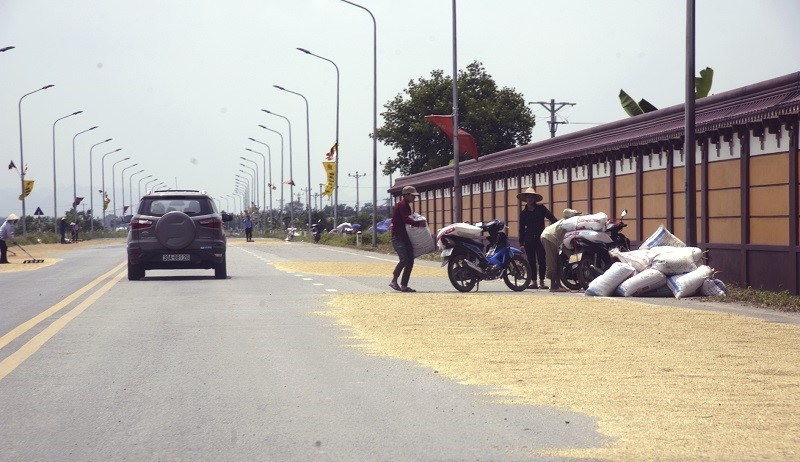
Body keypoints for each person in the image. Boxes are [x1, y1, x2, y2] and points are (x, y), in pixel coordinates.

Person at [517, 187, 557, 289]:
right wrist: (521, 243)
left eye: (531, 197)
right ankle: (533, 282)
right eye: (528, 197)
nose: (529, 199)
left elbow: (552, 218)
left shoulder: (541, 208)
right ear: (525, 199)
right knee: (531, 261)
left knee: (541, 260)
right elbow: (521, 229)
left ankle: (542, 282)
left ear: (534, 198)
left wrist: (553, 230)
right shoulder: (523, 213)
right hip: (528, 239)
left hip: (540, 238)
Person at [389, 185, 426, 293]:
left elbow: (408, 220)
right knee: (404, 259)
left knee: (410, 261)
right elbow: (406, 220)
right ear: (407, 195)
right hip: (398, 237)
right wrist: (418, 223)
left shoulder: (407, 206)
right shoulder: (402, 205)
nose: (414, 198)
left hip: (405, 237)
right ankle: (394, 281)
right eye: (413, 196)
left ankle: (404, 285)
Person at [540, 208, 581, 292]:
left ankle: (558, 284)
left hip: (553, 239)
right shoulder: (567, 223)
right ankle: (553, 287)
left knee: (558, 262)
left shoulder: (567, 223)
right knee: (552, 262)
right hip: (549, 238)